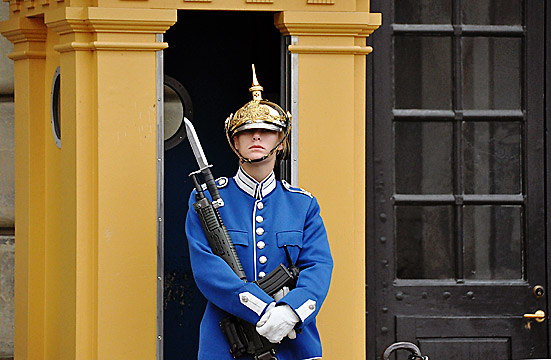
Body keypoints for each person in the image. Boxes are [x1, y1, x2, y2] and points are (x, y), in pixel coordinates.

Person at [185, 65, 333, 360]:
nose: (256, 137)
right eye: (247, 132)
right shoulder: (208, 202)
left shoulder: (302, 204)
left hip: (294, 340)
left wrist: (291, 312)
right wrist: (262, 310)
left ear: (281, 141)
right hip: (227, 341)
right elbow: (207, 269)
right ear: (235, 141)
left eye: (266, 132)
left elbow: (318, 266)